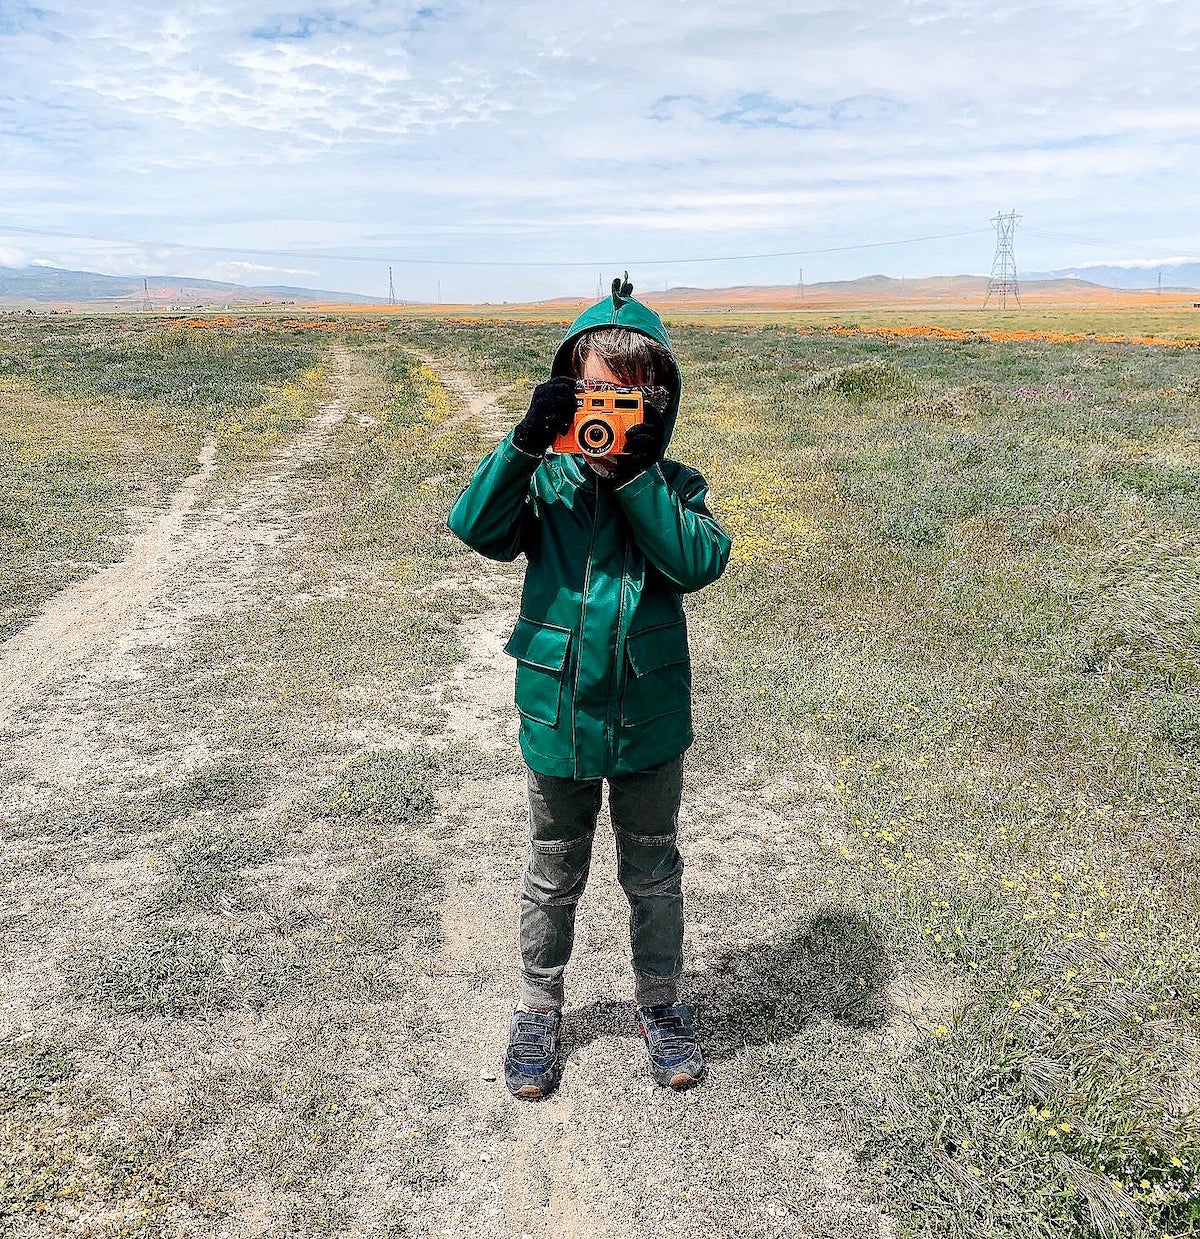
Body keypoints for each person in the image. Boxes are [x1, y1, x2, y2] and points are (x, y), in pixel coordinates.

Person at [446, 274, 732, 1100]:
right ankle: (538, 1007)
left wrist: (638, 477)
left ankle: (662, 1005)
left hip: (646, 716)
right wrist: (525, 443)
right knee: (552, 868)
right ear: (568, 393)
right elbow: (475, 527)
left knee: (653, 870)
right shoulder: (546, 481)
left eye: (633, 394)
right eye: (595, 391)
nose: (613, 409)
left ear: (662, 402)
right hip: (559, 709)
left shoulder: (676, 485)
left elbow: (699, 560)